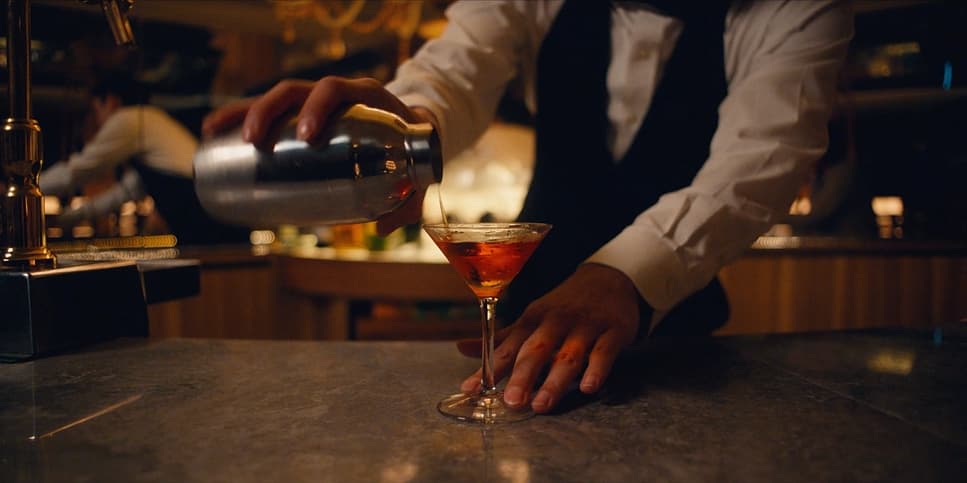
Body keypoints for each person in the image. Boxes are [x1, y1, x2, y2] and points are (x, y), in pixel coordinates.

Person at [203, 0, 853, 413]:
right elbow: (455, 71)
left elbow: (760, 162)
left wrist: (625, 275)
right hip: (523, 337)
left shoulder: (798, 10)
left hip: (677, 353)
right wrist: (403, 123)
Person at [41, 75, 251, 245]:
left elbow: (77, 171)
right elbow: (127, 190)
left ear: (111, 102)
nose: (97, 121)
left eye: (97, 111)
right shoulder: (149, 119)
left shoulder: (129, 119)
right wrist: (65, 220)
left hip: (203, 212)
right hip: (217, 212)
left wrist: (24, 189)